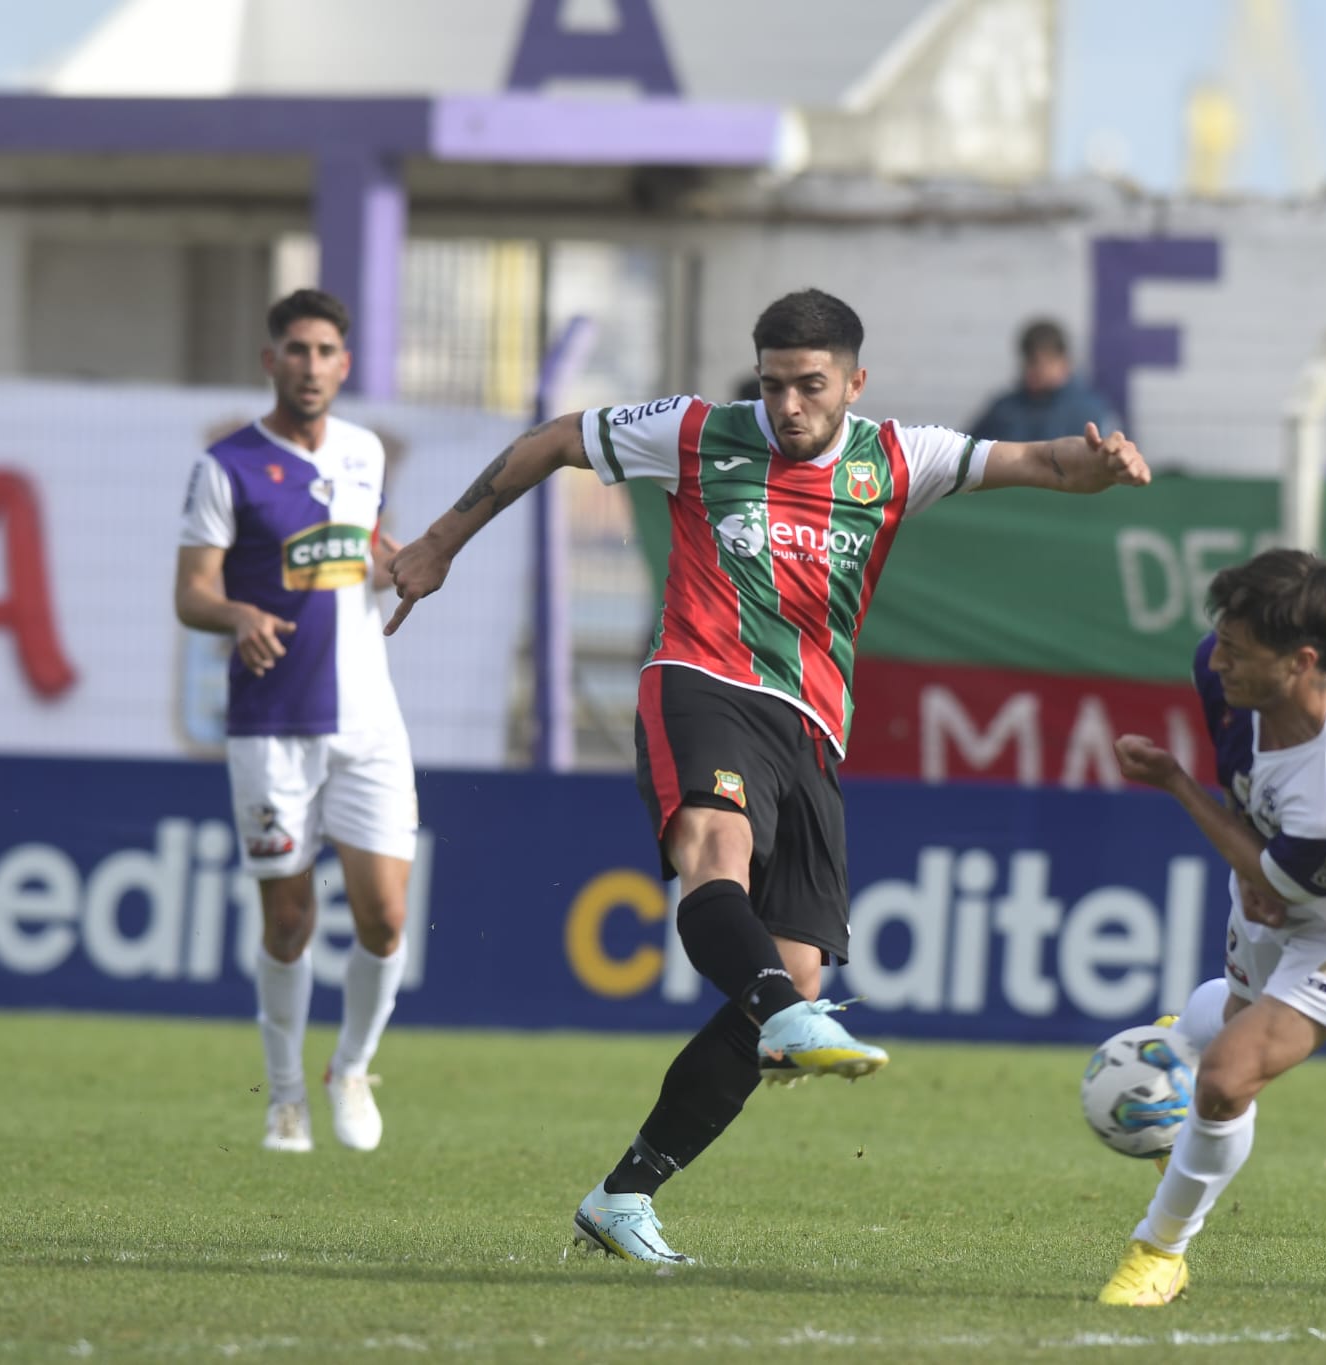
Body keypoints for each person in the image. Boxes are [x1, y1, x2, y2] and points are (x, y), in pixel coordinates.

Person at [385, 288, 1151, 1263]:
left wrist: (1100, 466)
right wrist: (439, 544)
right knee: (717, 855)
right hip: (701, 682)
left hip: (812, 726)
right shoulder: (697, 432)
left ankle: (624, 1196)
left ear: (853, 384)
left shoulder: (893, 458)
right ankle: (785, 1023)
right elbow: (553, 438)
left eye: (809, 386)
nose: (787, 406)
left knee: (789, 974)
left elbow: (1045, 462)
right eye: (772, 384)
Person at [1098, 548, 1326, 1306]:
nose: (1217, 658)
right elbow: (1265, 852)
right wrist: (1261, 868)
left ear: (1300, 661)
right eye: (1221, 638)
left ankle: (1159, 1252)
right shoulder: (1221, 675)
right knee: (1223, 1033)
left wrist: (1172, 782)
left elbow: (1279, 876)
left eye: (1238, 649)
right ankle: (1190, 1044)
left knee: (1228, 1081)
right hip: (1283, 874)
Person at [174, 288, 419, 1156]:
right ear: (270, 360)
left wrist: (403, 563)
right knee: (288, 922)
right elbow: (191, 590)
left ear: (344, 365)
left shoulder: (362, 453)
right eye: (296, 350)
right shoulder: (227, 466)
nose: (311, 365)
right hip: (272, 724)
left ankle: (349, 1068)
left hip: (368, 723)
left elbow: (367, 551)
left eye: (326, 351)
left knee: (386, 917)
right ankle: (284, 1096)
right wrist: (237, 615)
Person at [967, 318, 1119, 444]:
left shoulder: (1091, 411)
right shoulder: (1004, 410)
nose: (1035, 370)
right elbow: (968, 457)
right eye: (1030, 361)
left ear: (1064, 361)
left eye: (1043, 362)